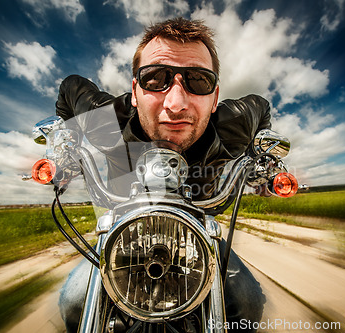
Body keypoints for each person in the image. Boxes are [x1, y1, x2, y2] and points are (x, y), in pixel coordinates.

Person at [56, 17, 270, 332]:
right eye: (155, 78)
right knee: (74, 304)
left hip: (198, 230)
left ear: (214, 98)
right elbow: (70, 88)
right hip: (123, 229)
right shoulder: (106, 122)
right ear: (134, 91)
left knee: (248, 304)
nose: (176, 103)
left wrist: (263, 160)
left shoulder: (233, 124)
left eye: (198, 81)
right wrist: (64, 144)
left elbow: (261, 108)